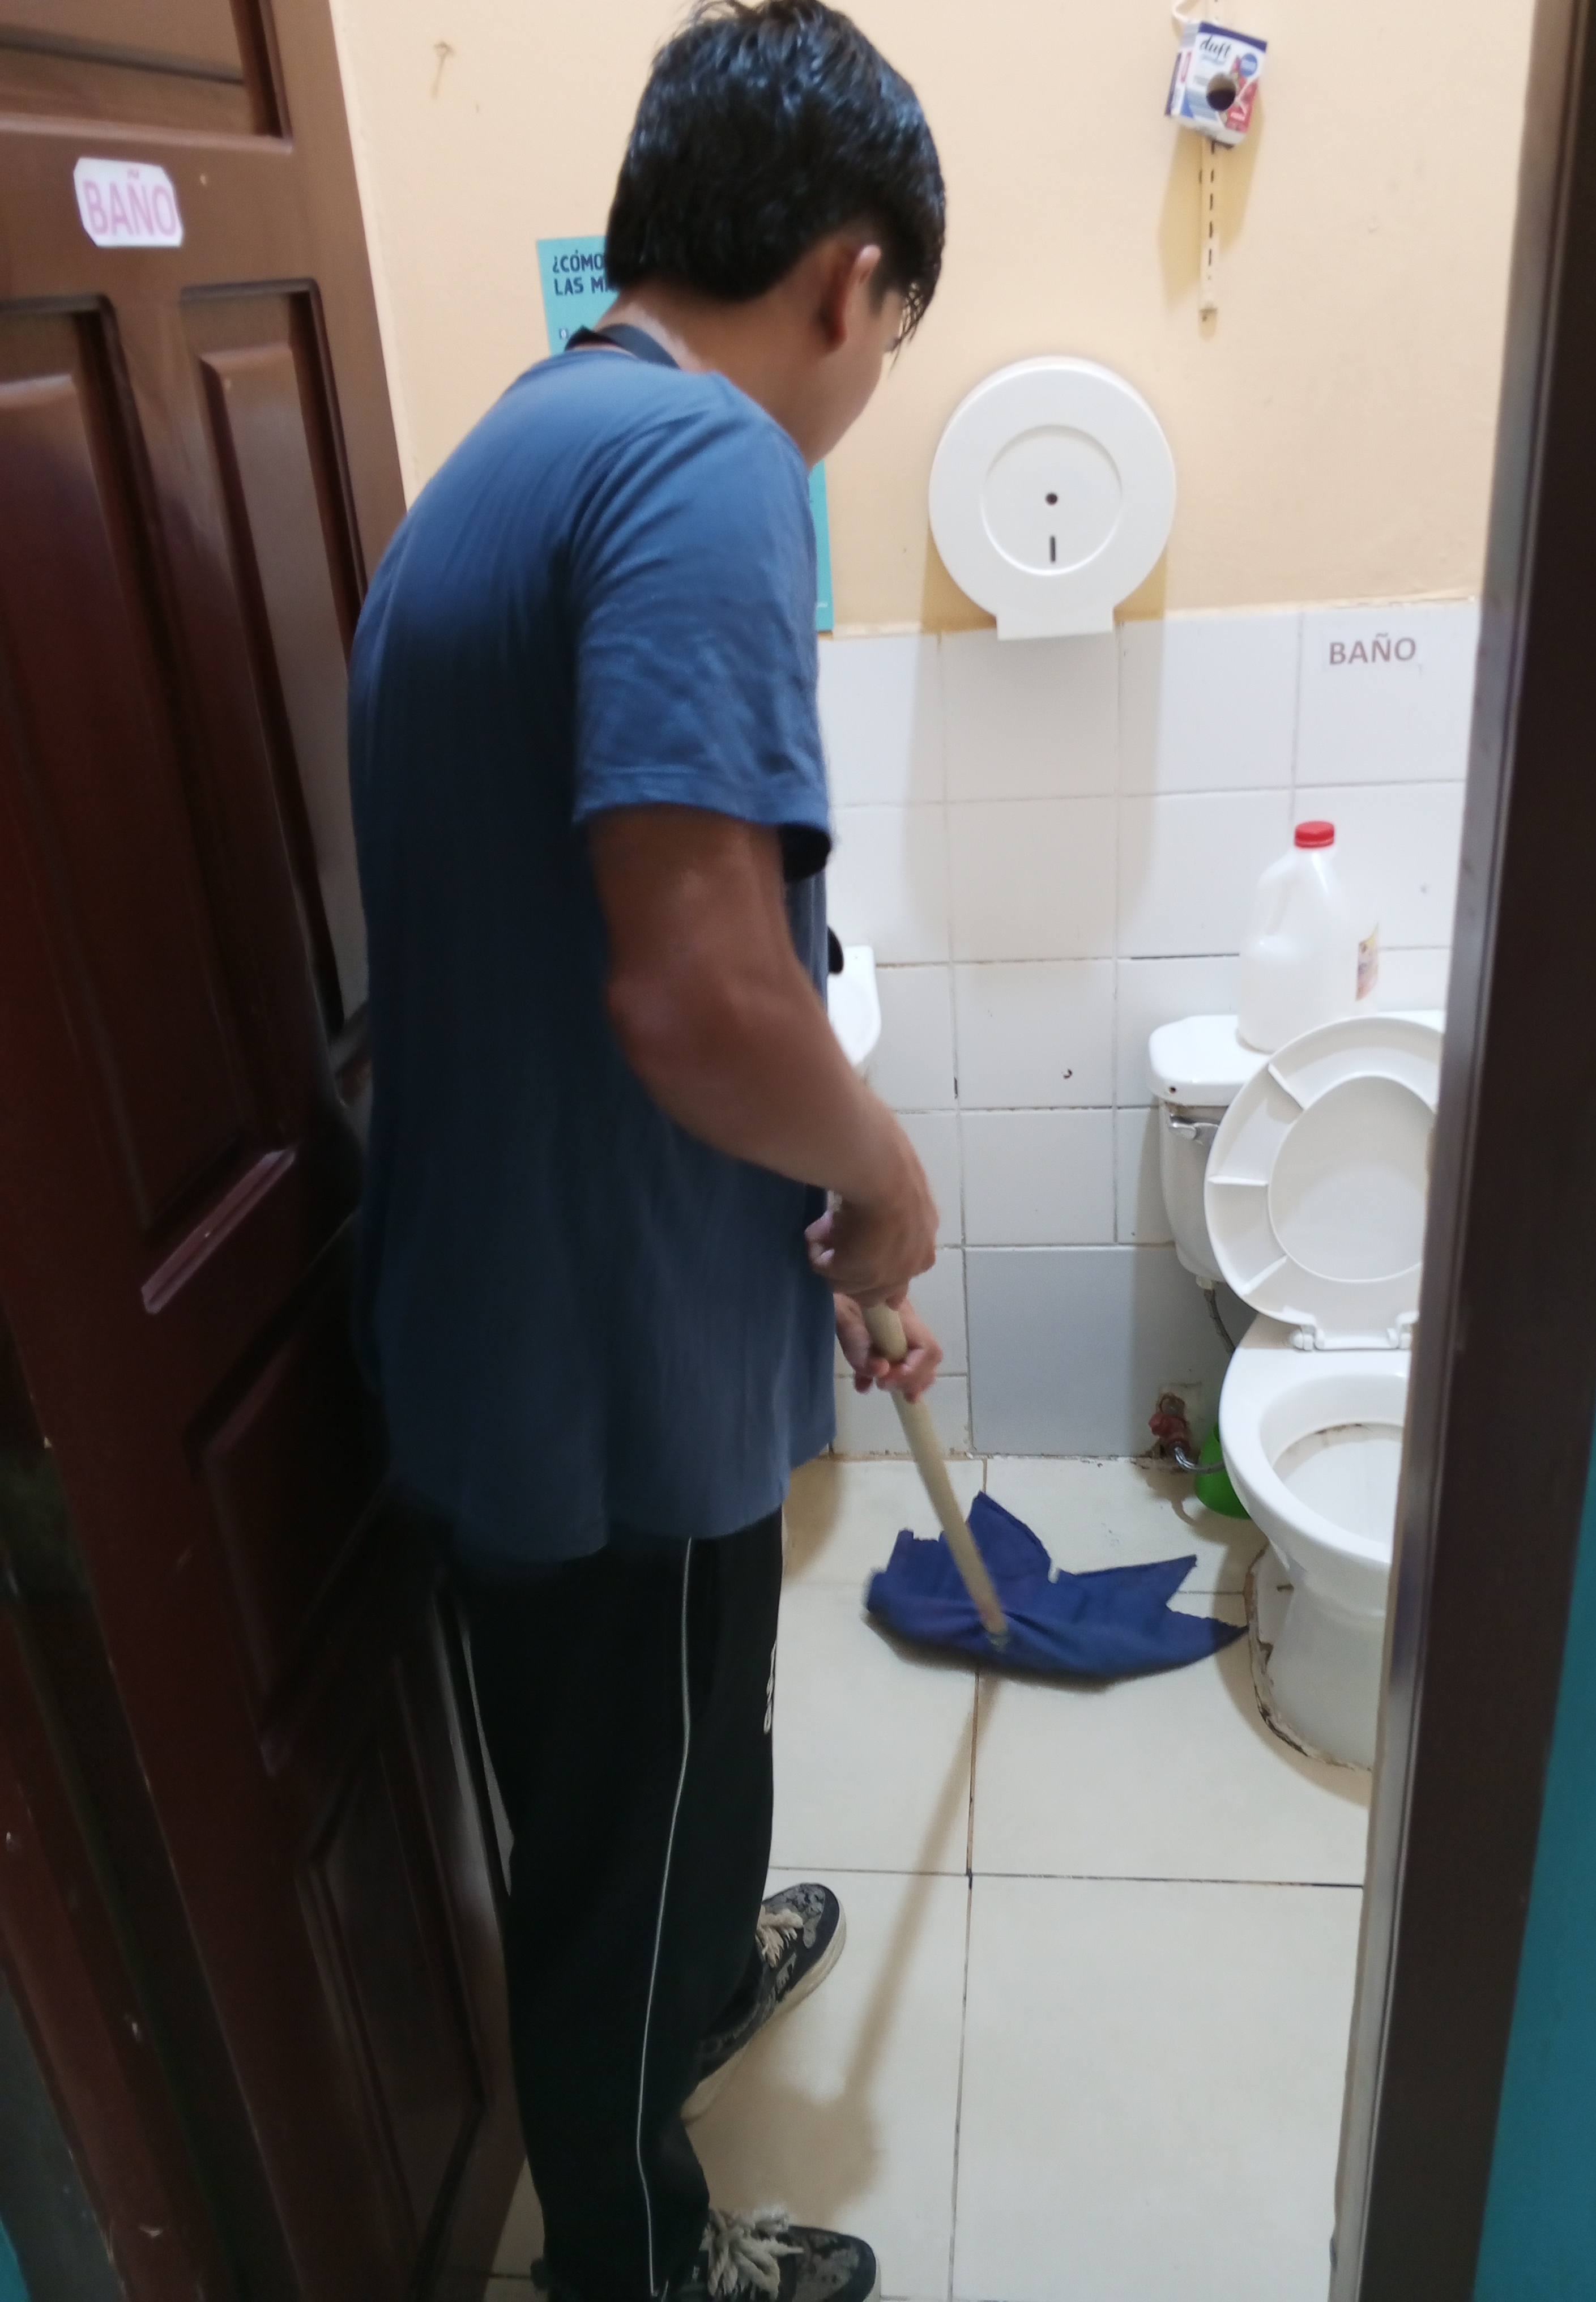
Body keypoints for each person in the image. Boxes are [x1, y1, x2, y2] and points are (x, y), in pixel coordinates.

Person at [347, 6, 947, 2297]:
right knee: (619, 1833)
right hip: (602, 1374)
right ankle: (638, 2252)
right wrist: (882, 1173)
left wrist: (803, 1204)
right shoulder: (710, 468)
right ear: (851, 278)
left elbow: (593, 964)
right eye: (891, 330)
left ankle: (698, 1973)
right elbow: (700, 995)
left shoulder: (513, 456)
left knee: (682, 1762)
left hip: (536, 1311)